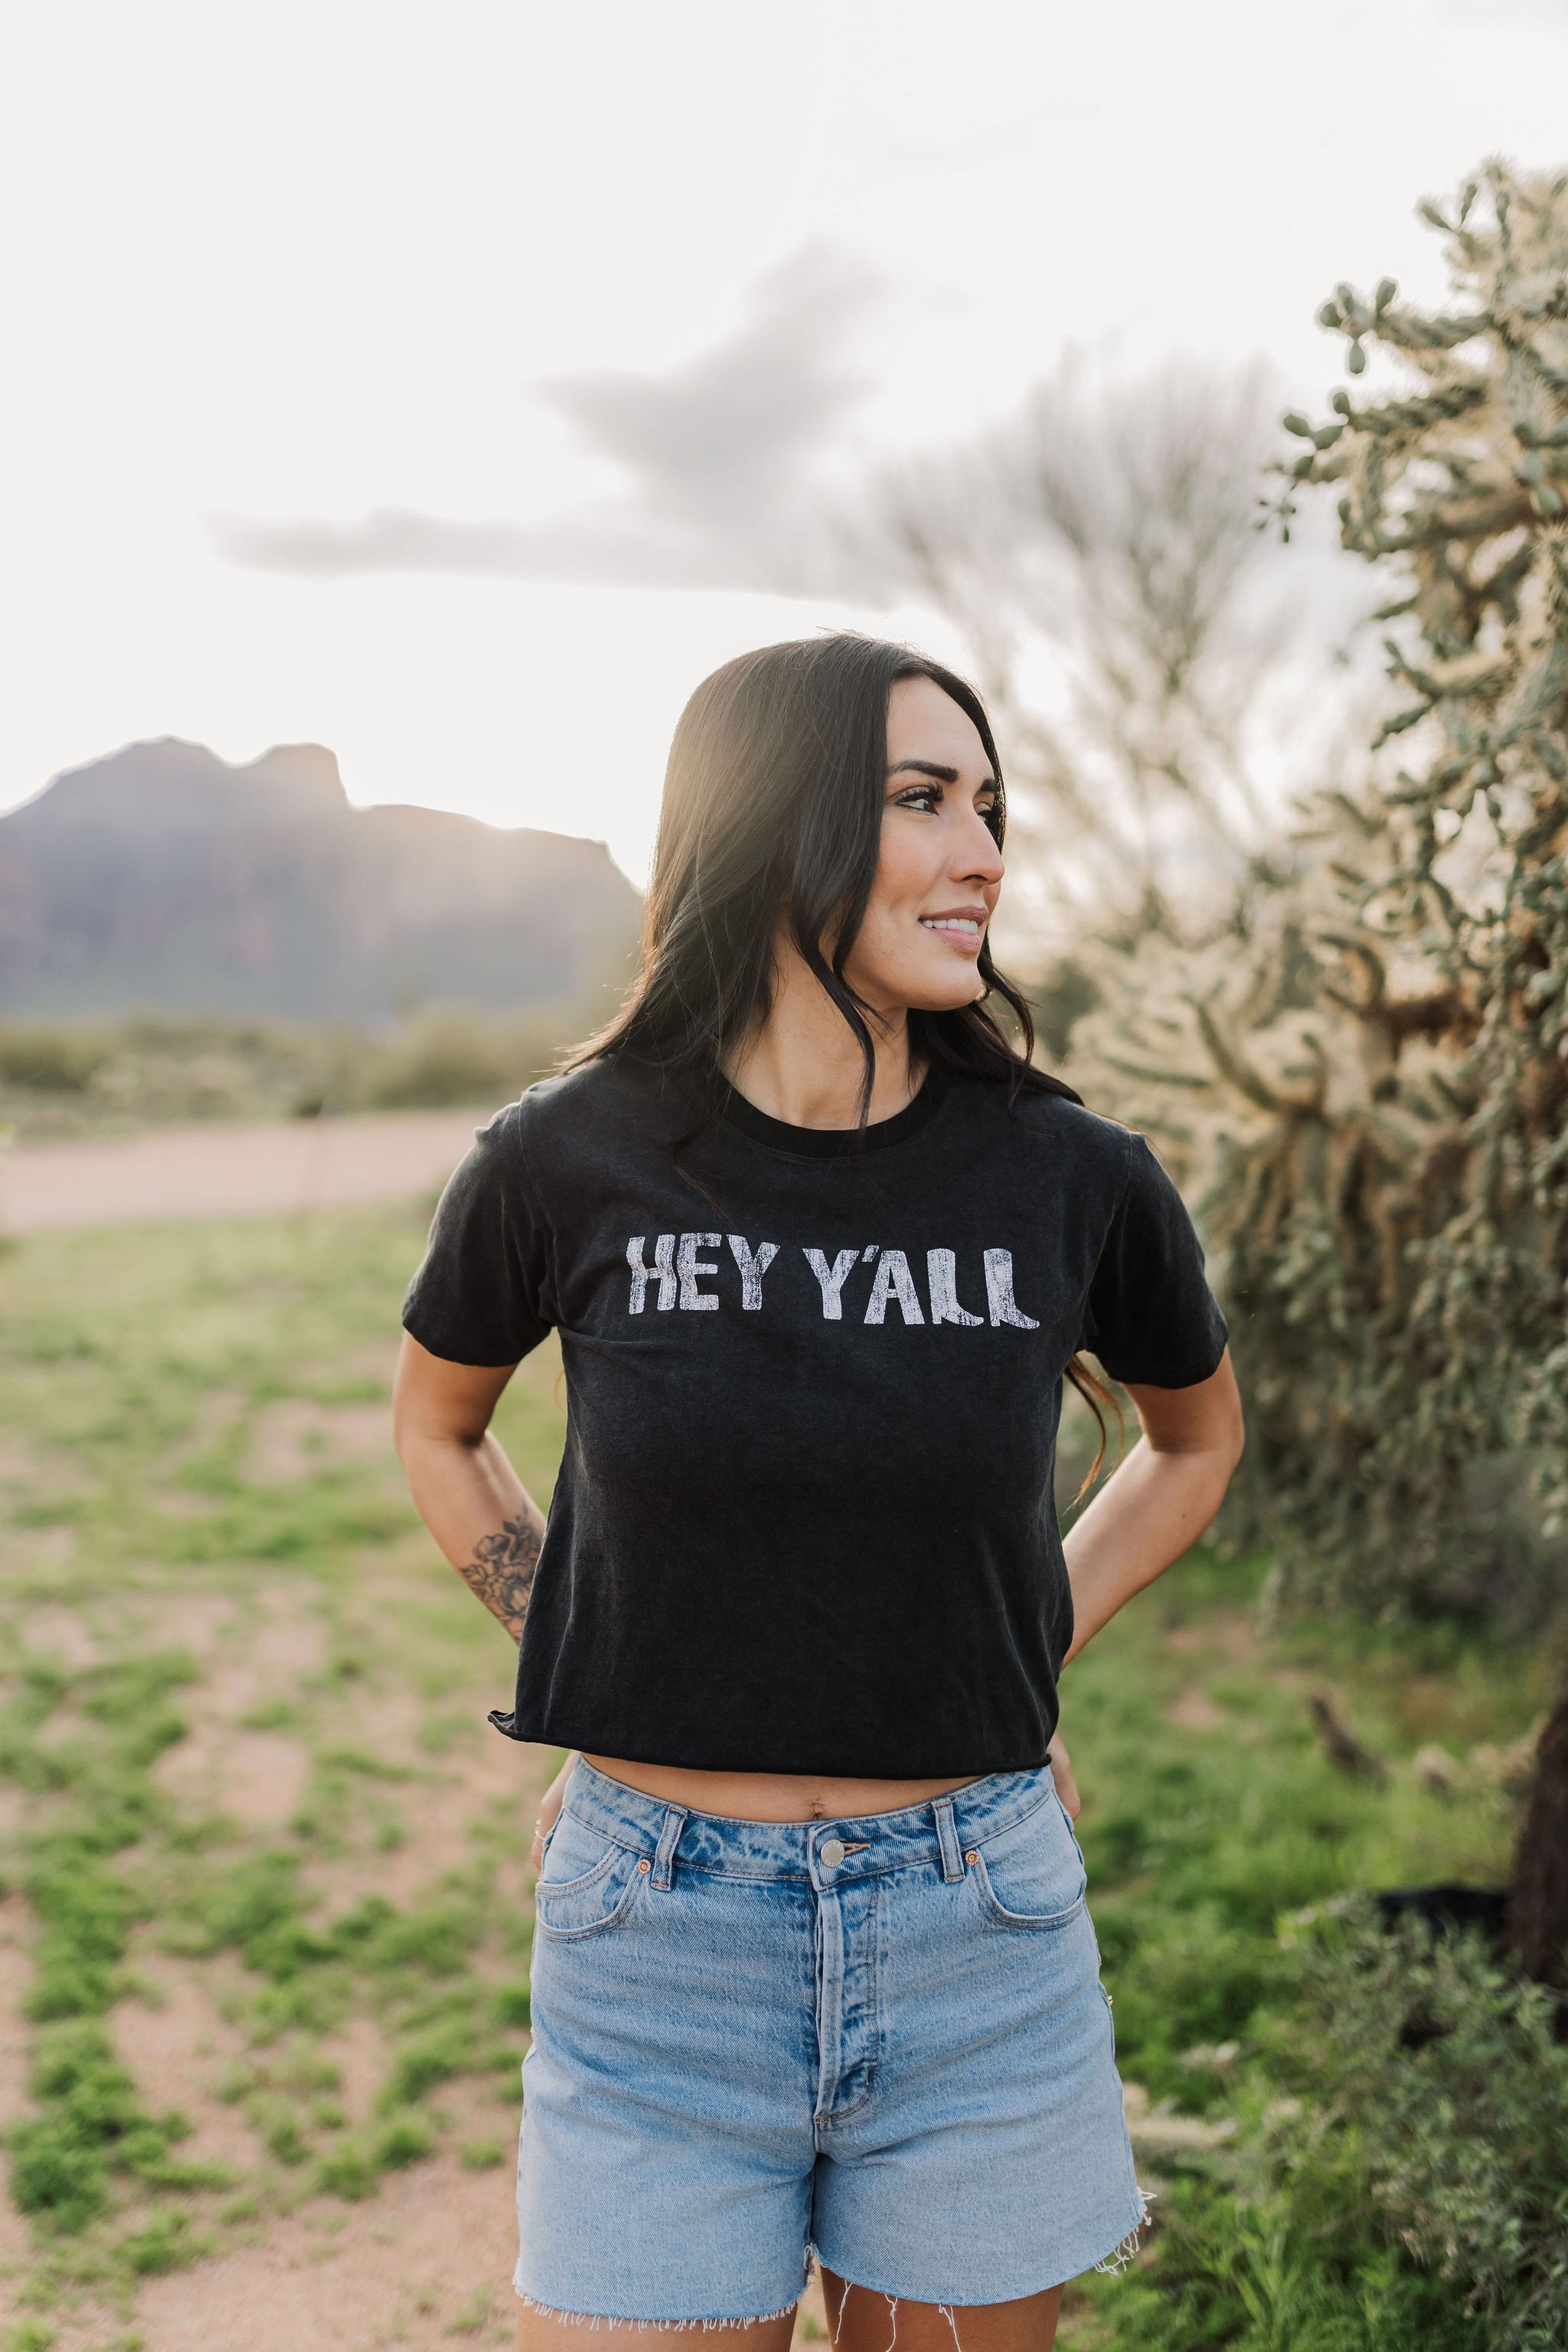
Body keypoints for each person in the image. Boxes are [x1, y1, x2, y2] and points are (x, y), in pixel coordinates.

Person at [393, 635, 1244, 2352]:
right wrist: (593, 1639)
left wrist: (1020, 1642)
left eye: (990, 805)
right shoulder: (563, 1158)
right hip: (657, 1944)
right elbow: (437, 1421)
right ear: (772, 827)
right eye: (922, 801)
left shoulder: (1072, 1177)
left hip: (973, 1930)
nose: (983, 851)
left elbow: (1193, 1441)